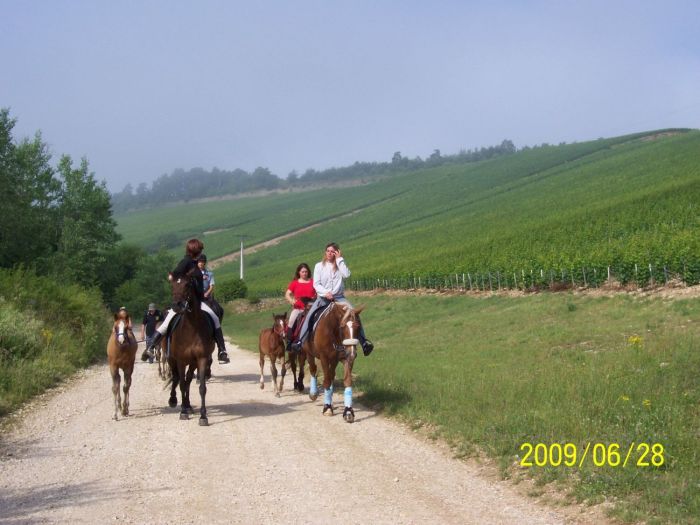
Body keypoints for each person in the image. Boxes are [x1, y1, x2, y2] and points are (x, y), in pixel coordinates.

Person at [145, 238, 230, 363]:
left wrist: (202, 297)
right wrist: (176, 281)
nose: (201, 252)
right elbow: (174, 275)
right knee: (167, 321)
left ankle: (222, 350)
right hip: (182, 302)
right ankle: (151, 346)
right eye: (199, 250)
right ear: (195, 251)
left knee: (215, 319)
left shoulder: (195, 265)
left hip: (197, 302)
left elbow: (199, 289)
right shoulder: (186, 262)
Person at [290, 242, 373, 356]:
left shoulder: (340, 264)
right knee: (310, 315)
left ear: (336, 253)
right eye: (328, 251)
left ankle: (364, 342)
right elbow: (317, 284)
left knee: (354, 314)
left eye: (332, 251)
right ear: (325, 252)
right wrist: (325, 293)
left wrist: (340, 260)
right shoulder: (319, 266)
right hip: (323, 298)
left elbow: (347, 275)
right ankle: (300, 341)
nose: (330, 253)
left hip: (339, 298)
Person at [284, 263, 316, 346]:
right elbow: (287, 294)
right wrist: (292, 301)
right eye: (303, 272)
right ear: (299, 272)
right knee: (291, 321)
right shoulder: (294, 283)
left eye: (306, 271)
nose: (305, 273)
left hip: (311, 308)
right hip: (299, 308)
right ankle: (290, 342)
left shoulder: (313, 282)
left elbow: (318, 293)